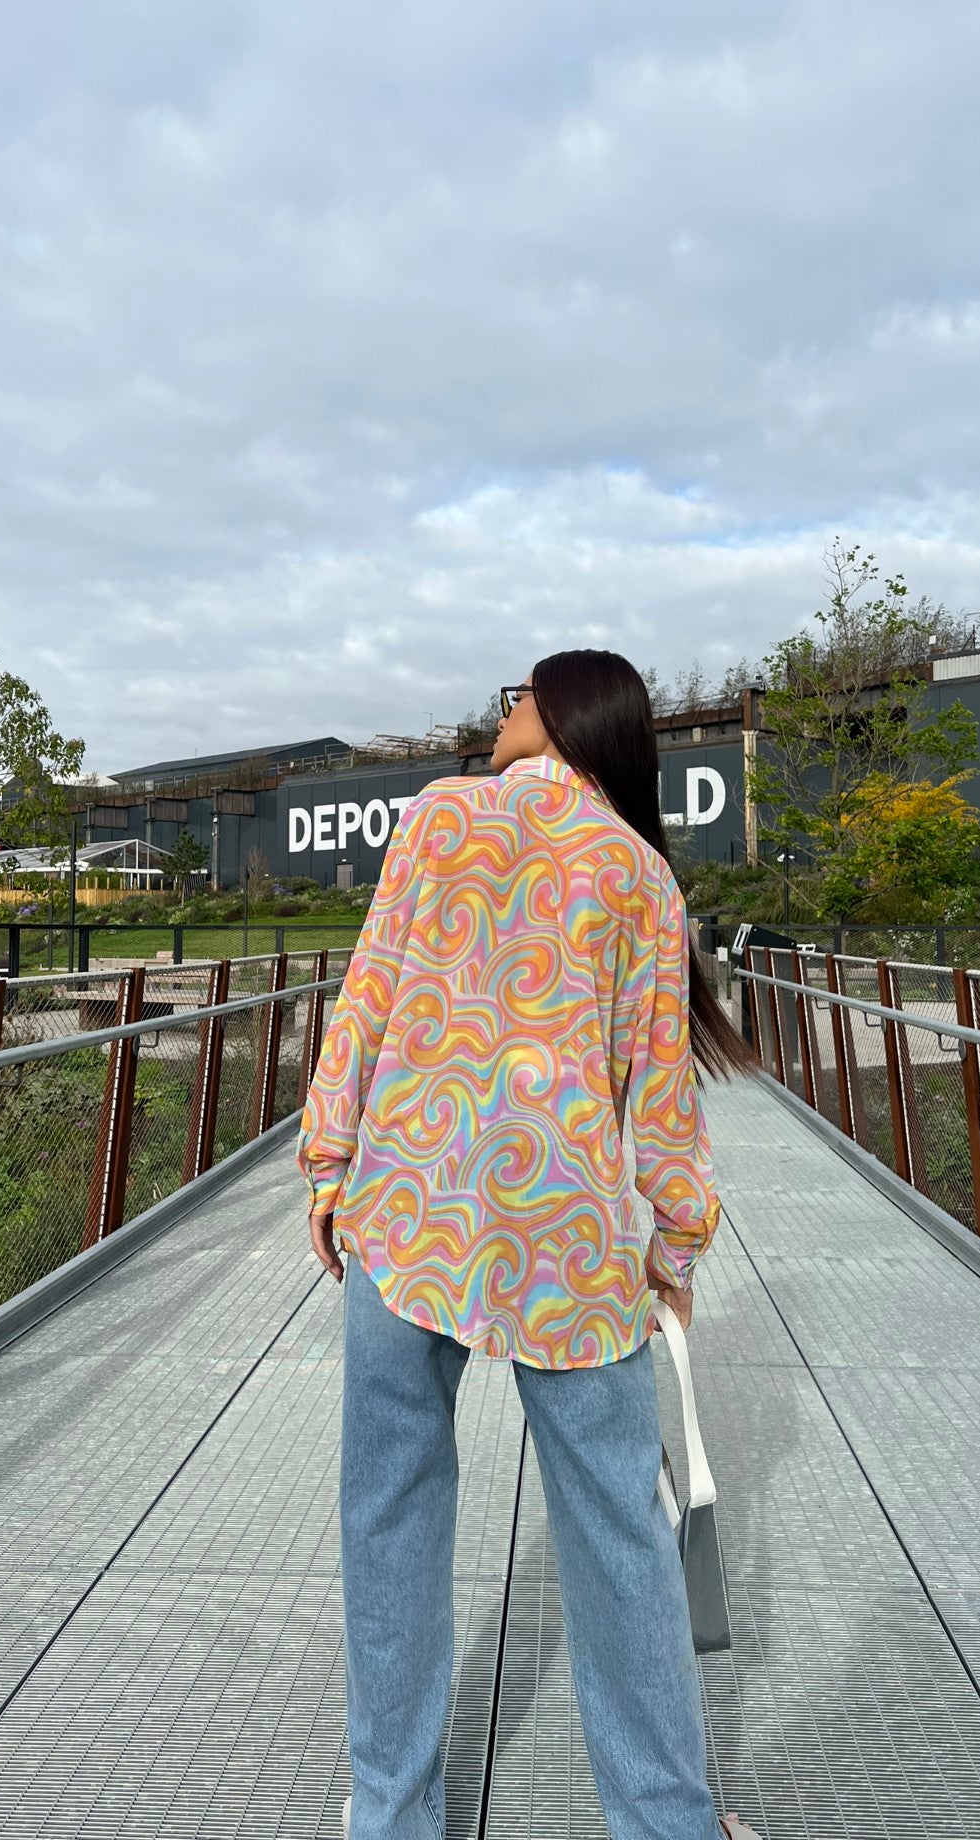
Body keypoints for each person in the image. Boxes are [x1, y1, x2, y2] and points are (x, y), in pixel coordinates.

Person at [299, 649, 757, 1840]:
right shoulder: (641, 877)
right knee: (619, 1530)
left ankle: (390, 1818)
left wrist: (327, 1159)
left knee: (386, 1509)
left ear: (563, 710)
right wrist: (679, 1250)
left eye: (519, 693)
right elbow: (659, 1097)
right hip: (571, 1243)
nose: (501, 711)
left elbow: (371, 994)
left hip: (412, 1209)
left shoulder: (439, 816)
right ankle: (667, 1822)